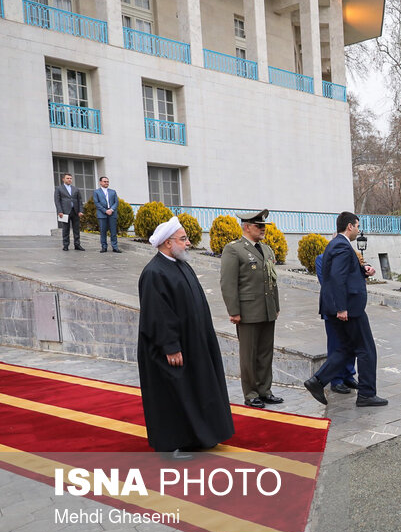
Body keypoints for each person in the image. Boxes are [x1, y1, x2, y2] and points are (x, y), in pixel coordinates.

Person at [137, 217, 234, 460]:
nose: (188, 243)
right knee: (173, 395)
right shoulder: (154, 272)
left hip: (192, 344)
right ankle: (173, 446)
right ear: (168, 243)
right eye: (183, 239)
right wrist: (170, 346)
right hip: (169, 350)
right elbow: (158, 314)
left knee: (193, 391)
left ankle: (198, 436)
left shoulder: (180, 265)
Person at [304, 211, 387, 407]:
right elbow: (337, 278)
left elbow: (342, 274)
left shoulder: (335, 245)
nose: (358, 230)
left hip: (341, 307)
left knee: (346, 348)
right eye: (357, 226)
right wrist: (341, 308)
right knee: (366, 350)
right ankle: (366, 394)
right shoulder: (341, 245)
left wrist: (363, 271)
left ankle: (317, 381)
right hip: (348, 309)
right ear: (349, 226)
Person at [220, 209, 283, 408]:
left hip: (267, 309)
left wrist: (276, 305)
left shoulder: (266, 249)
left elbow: (273, 280)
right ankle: (251, 393)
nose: (263, 229)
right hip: (248, 311)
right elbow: (228, 283)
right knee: (249, 354)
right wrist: (234, 311)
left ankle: (265, 390)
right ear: (247, 227)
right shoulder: (234, 249)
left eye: (264, 226)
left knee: (265, 353)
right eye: (259, 226)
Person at [315, 252, 359, 394]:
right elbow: (328, 283)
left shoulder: (349, 256)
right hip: (333, 309)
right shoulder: (322, 259)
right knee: (336, 345)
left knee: (351, 343)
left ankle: (348, 375)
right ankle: (336, 380)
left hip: (351, 307)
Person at [54, 173, 85, 251]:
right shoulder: (59, 188)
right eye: (67, 178)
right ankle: (65, 245)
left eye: (70, 178)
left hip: (75, 211)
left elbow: (80, 200)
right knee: (65, 229)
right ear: (63, 179)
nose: (69, 180)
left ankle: (77, 245)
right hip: (64, 212)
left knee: (76, 229)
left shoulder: (75, 189)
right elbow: (57, 201)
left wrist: (81, 210)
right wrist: (59, 211)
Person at [93, 176, 122, 253]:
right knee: (103, 231)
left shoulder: (113, 191)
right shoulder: (96, 192)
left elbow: (116, 202)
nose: (106, 183)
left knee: (113, 231)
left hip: (112, 213)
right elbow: (97, 203)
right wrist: (105, 211)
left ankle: (115, 247)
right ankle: (104, 247)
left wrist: (111, 209)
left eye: (107, 182)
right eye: (105, 181)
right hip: (102, 214)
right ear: (100, 182)